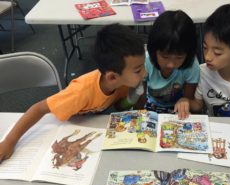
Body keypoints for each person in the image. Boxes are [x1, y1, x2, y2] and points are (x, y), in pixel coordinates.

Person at [0, 23, 146, 162]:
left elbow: (120, 107)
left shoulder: (124, 81)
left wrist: (135, 97)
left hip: (92, 124)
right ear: (112, 77)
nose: (145, 73)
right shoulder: (80, 92)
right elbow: (38, 108)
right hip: (64, 127)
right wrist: (9, 141)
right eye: (138, 70)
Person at [136, 10, 200, 119]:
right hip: (151, 105)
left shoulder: (191, 64)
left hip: (177, 109)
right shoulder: (146, 61)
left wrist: (185, 101)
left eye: (179, 57)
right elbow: (140, 100)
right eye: (165, 57)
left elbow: (187, 99)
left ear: (188, 54)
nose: (171, 64)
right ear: (153, 50)